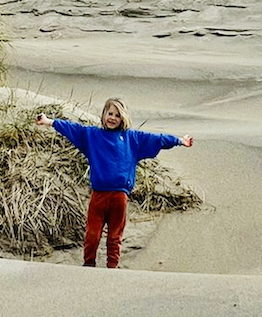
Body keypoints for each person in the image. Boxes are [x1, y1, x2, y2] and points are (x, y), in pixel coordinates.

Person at [35, 98, 193, 268]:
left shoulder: (132, 139)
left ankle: (113, 268)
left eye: (117, 115)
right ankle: (88, 265)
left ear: (123, 118)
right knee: (92, 235)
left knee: (115, 236)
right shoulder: (92, 136)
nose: (113, 118)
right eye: (110, 113)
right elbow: (73, 129)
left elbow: (157, 139)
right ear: (104, 115)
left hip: (120, 196)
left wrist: (179, 141)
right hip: (99, 195)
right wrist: (48, 121)